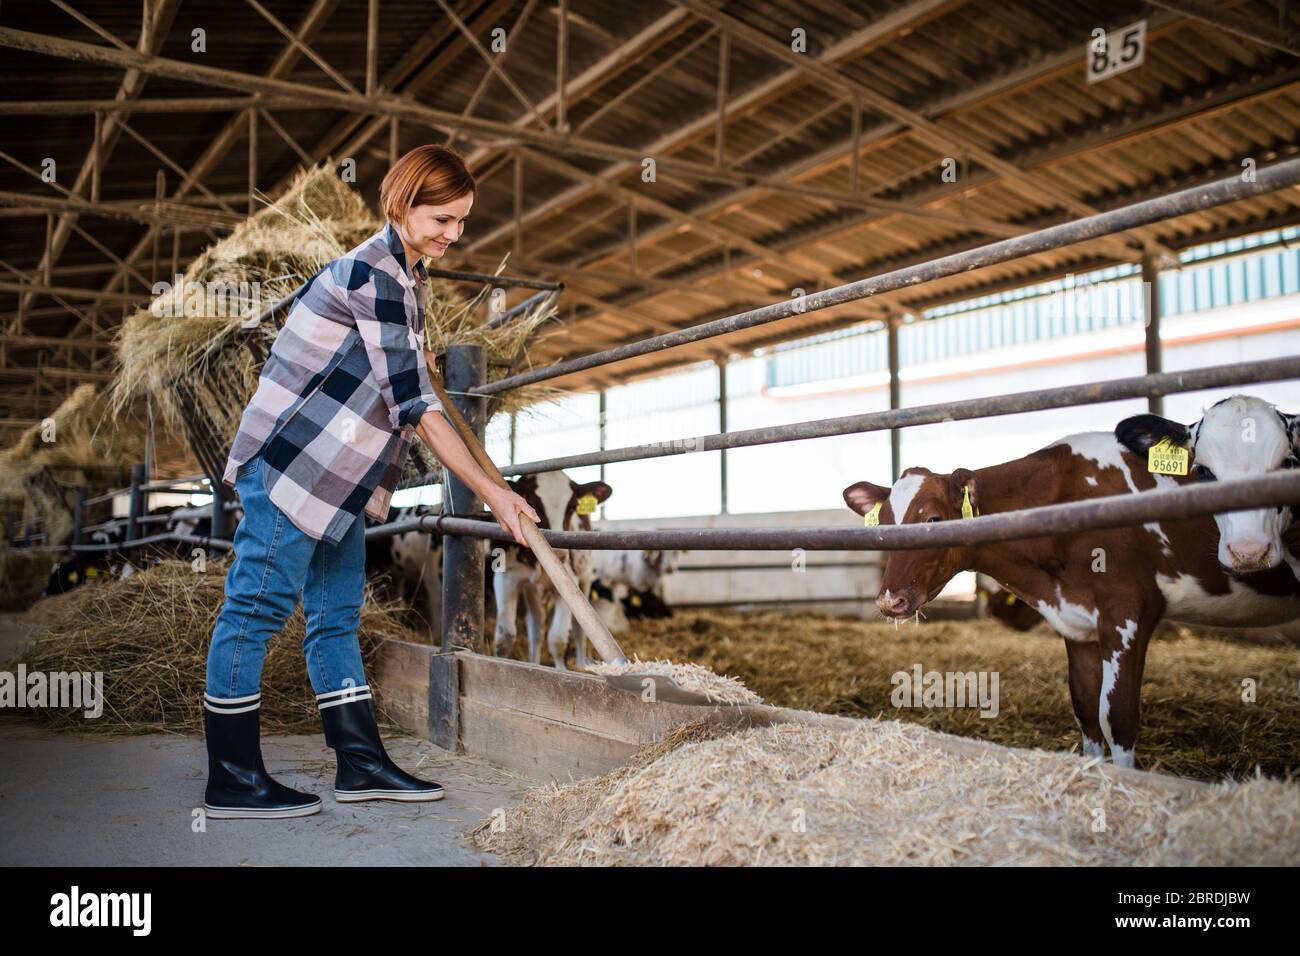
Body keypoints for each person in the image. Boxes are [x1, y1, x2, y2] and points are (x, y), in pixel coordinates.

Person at [202, 144, 541, 819]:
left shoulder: (411, 280)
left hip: (340, 480)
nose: (454, 235)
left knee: (335, 618)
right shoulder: (373, 274)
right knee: (255, 610)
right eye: (442, 219)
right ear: (400, 203)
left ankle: (359, 763)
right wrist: (493, 492)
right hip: (292, 467)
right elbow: (414, 406)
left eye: (462, 222)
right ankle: (233, 778)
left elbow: (397, 384)